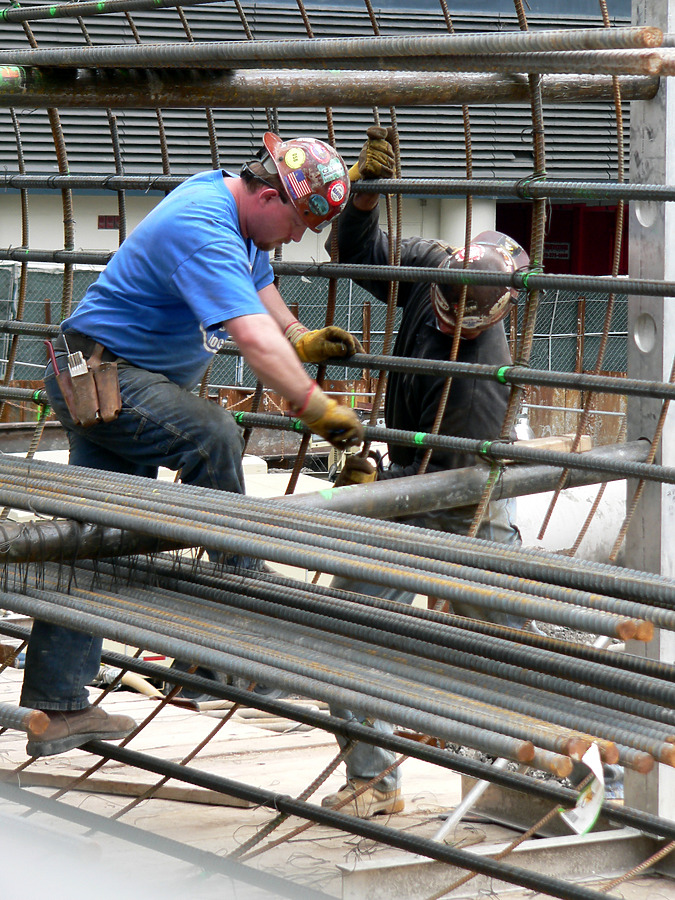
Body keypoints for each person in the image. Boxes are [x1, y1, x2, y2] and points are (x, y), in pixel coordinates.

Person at [23, 131, 364, 758]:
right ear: (268, 194)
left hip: (110, 377)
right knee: (213, 436)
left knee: (95, 542)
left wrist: (300, 334)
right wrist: (317, 408)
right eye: (297, 222)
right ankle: (244, 625)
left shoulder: (232, 205)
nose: (297, 238)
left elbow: (260, 289)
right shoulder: (204, 227)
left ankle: (58, 705)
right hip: (110, 378)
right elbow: (252, 341)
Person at [320, 126, 530, 818]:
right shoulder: (432, 269)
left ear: (500, 307)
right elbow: (354, 251)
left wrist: (382, 488)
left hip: (460, 498)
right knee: (345, 624)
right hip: (408, 477)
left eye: (468, 319)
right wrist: (363, 198)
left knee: (512, 646)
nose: (452, 323)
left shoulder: (479, 384)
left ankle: (566, 765)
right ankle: (373, 781)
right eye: (448, 308)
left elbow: (445, 486)